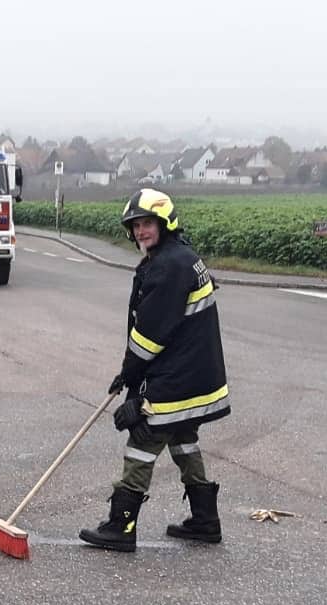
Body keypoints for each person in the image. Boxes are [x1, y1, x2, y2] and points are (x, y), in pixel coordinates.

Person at [80, 189, 231, 552]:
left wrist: (132, 380)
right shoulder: (180, 257)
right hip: (196, 375)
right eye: (135, 226)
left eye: (147, 223)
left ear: (165, 224)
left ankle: (121, 526)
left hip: (177, 379)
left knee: (144, 441)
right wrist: (130, 377)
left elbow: (149, 335)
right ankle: (205, 520)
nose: (140, 231)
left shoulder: (168, 266)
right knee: (182, 438)